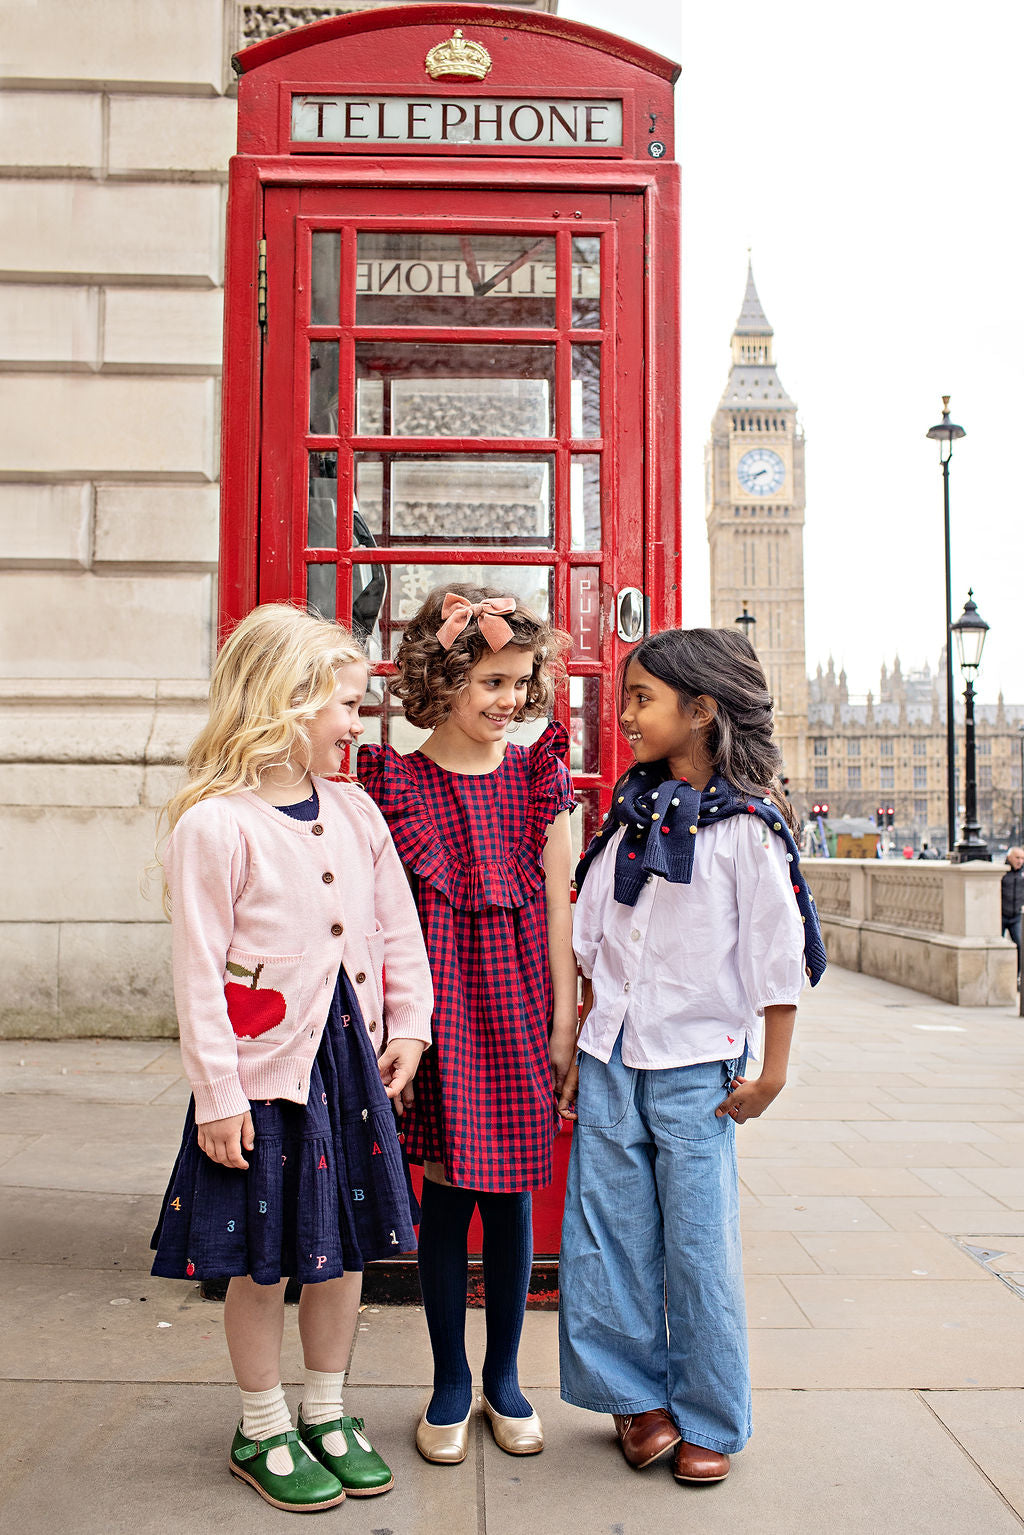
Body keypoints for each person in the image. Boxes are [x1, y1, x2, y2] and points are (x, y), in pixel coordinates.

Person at [150, 603, 434, 1512]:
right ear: (285, 699)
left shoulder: (355, 810)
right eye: (344, 705)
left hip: (348, 1065)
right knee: (262, 1261)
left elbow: (398, 928)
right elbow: (199, 976)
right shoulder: (215, 826)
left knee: (344, 1252)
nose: (357, 724)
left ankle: (326, 1408)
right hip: (266, 1073)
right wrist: (217, 1096)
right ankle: (263, 1422)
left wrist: (411, 1026)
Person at [557, 628, 826, 1486]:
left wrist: (772, 1069)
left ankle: (711, 1410)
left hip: (697, 1068)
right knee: (608, 1236)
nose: (626, 714)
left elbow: (776, 960)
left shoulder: (748, 829)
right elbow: (591, 931)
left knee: (699, 1246)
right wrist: (580, 1030)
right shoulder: (630, 813)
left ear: (701, 711)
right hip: (610, 1058)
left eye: (643, 699)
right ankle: (635, 1399)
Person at [358, 585, 576, 1465]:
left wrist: (564, 1024)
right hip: (439, 1013)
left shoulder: (537, 776)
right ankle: (451, 1378)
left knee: (514, 1197)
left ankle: (507, 1377)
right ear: (443, 678)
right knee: (445, 1197)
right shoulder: (397, 782)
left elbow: (561, 911)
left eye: (521, 682)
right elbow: (378, 920)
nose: (510, 701)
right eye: (491, 680)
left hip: (520, 1005)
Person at [1002, 847, 1024, 986]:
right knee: (996, 947)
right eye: (1017, 858)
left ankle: (1017, 977)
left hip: (1016, 916)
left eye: (1022, 859)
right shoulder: (1002, 872)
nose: (1020, 861)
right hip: (1001, 916)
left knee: (1020, 945)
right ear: (1009, 858)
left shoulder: (1022, 874)